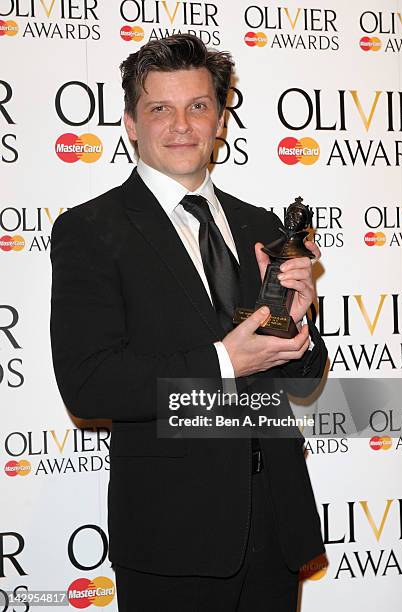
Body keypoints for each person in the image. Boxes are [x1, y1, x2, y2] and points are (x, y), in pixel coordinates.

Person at [50, 34, 328, 612]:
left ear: (220, 118)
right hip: (172, 536)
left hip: (276, 525)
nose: (182, 125)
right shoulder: (90, 231)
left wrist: (297, 333)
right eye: (160, 109)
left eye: (198, 106)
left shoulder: (260, 225)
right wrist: (226, 360)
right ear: (129, 122)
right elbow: (90, 384)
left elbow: (301, 379)